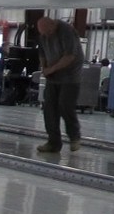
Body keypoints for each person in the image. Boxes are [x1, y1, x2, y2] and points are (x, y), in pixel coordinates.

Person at [34, 14, 84, 155]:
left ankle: (74, 136)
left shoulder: (66, 31)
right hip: (53, 77)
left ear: (52, 25)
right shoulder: (44, 34)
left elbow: (70, 56)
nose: (47, 36)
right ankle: (53, 142)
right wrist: (44, 67)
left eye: (48, 33)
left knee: (65, 105)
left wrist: (52, 68)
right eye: (43, 34)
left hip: (70, 77)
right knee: (49, 108)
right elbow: (42, 53)